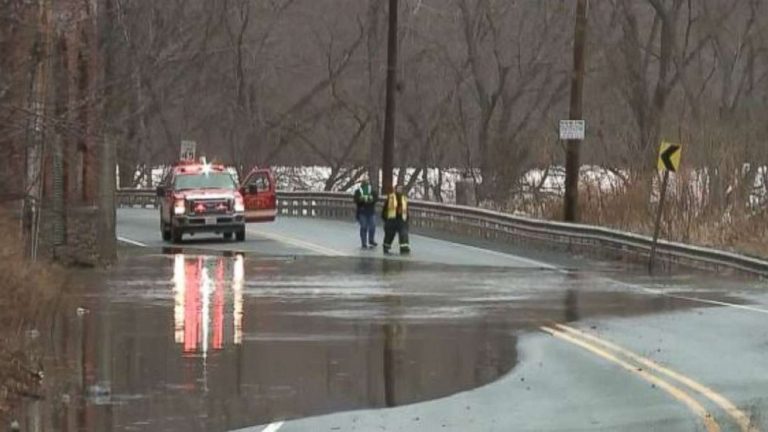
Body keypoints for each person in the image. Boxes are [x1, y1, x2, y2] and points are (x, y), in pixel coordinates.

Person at [382, 184, 410, 254]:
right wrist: (386, 219)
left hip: (402, 219)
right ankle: (386, 247)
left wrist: (407, 218)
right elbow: (385, 209)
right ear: (395, 189)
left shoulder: (404, 198)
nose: (400, 190)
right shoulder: (391, 197)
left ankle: (404, 248)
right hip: (392, 219)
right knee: (389, 235)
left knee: (404, 234)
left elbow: (406, 209)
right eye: (399, 188)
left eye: (401, 189)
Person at [353, 179, 378, 248]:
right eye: (364, 184)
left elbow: (376, 198)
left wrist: (371, 199)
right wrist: (361, 199)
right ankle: (364, 243)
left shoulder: (372, 191)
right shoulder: (358, 192)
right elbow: (356, 200)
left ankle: (371, 240)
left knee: (372, 226)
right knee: (364, 227)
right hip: (362, 212)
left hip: (371, 212)